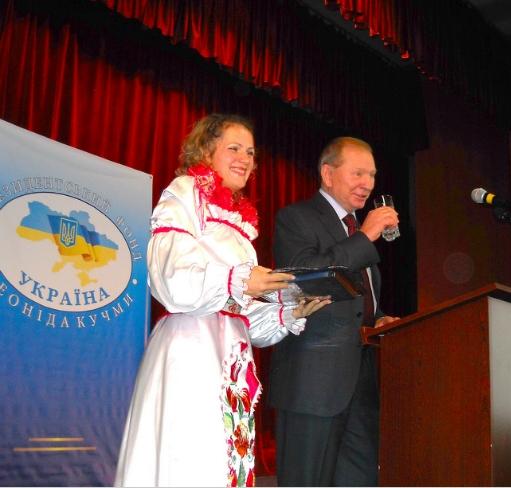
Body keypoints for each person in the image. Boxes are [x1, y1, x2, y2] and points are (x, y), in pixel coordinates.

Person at [114, 113, 329, 487]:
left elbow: (241, 313)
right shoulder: (185, 193)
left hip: (231, 353)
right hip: (192, 346)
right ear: (206, 150)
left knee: (225, 455)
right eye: (234, 148)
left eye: (250, 152)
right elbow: (171, 278)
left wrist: (288, 312)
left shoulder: (240, 227)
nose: (245, 158)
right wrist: (239, 279)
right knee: (191, 453)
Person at [269, 136, 400, 486]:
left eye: (372, 175)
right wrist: (365, 237)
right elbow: (304, 276)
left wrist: (379, 318)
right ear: (328, 174)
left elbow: (357, 301)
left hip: (361, 383)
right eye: (358, 173)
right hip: (312, 383)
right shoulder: (297, 218)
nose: (367, 183)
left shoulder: (356, 230)